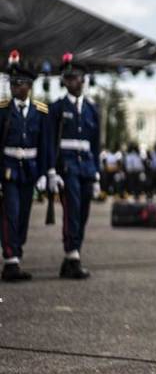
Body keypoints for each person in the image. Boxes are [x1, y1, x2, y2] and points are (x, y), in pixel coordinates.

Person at [0, 50, 54, 281]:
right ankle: (11, 260)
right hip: (8, 168)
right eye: (13, 83)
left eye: (20, 83)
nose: (15, 88)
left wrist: (46, 172)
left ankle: (17, 254)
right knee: (10, 213)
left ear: (29, 86)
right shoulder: (3, 110)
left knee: (23, 214)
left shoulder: (40, 112)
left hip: (29, 170)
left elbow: (46, 145)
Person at [50, 52, 100, 280]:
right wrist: (51, 170)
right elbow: (51, 142)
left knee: (84, 212)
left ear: (83, 80)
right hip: (67, 166)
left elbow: (96, 144)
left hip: (87, 166)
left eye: (75, 78)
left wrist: (97, 173)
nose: (71, 82)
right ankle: (72, 256)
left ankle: (72, 255)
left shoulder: (92, 110)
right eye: (67, 79)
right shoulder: (57, 108)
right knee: (72, 212)